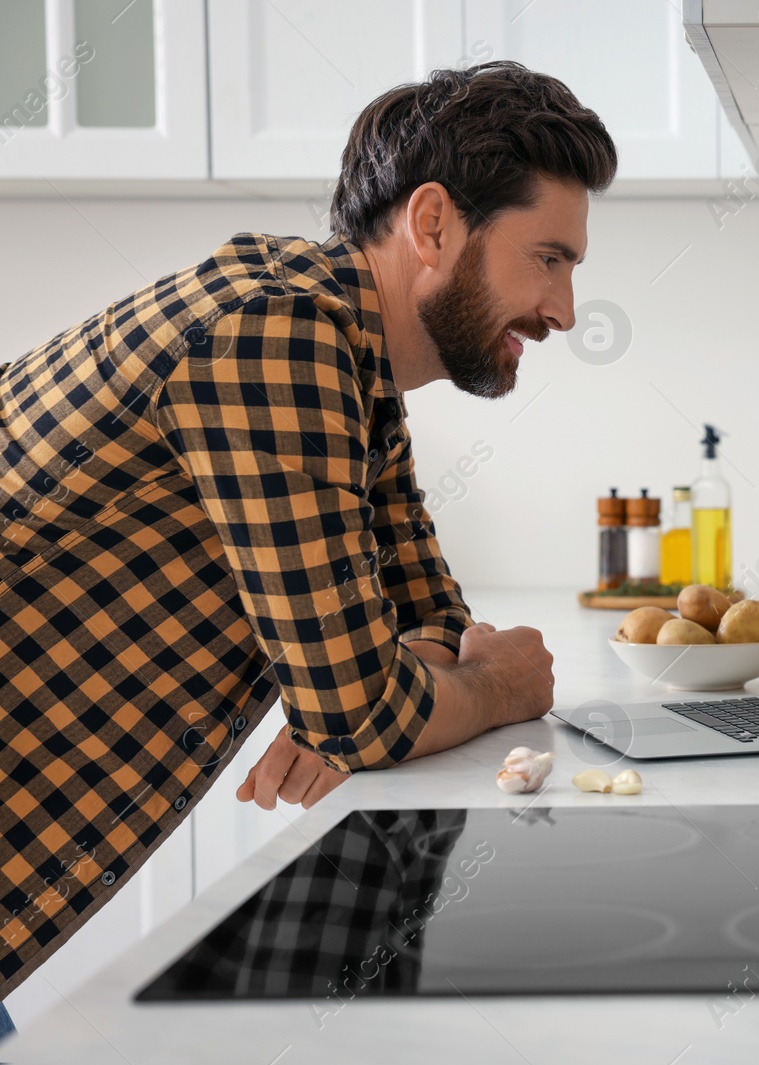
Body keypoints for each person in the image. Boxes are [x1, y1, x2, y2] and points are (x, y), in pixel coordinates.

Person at [0, 61, 615, 1002]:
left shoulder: (346, 356)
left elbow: (425, 619)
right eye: (549, 258)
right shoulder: (276, 334)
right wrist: (490, 684)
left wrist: (408, 680)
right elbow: (366, 709)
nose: (565, 312)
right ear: (435, 223)